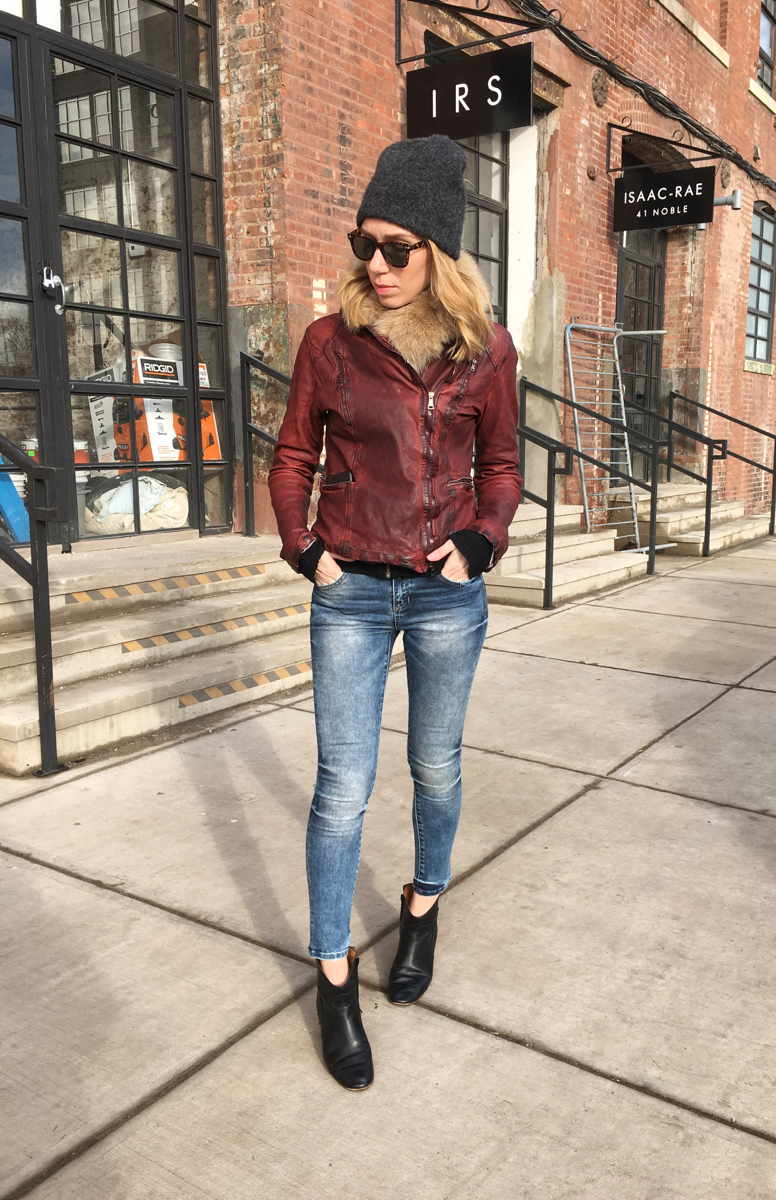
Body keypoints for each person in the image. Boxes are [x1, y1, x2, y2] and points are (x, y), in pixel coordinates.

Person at [269, 134, 521, 1090]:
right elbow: (292, 456)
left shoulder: (485, 350)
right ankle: (333, 976)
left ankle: (422, 908)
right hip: (352, 593)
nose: (374, 265)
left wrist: (483, 540)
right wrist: (306, 550)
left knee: (435, 765)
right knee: (342, 788)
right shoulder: (329, 343)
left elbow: (502, 464)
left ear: (438, 251)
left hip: (447, 590)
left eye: (395, 247)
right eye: (363, 244)